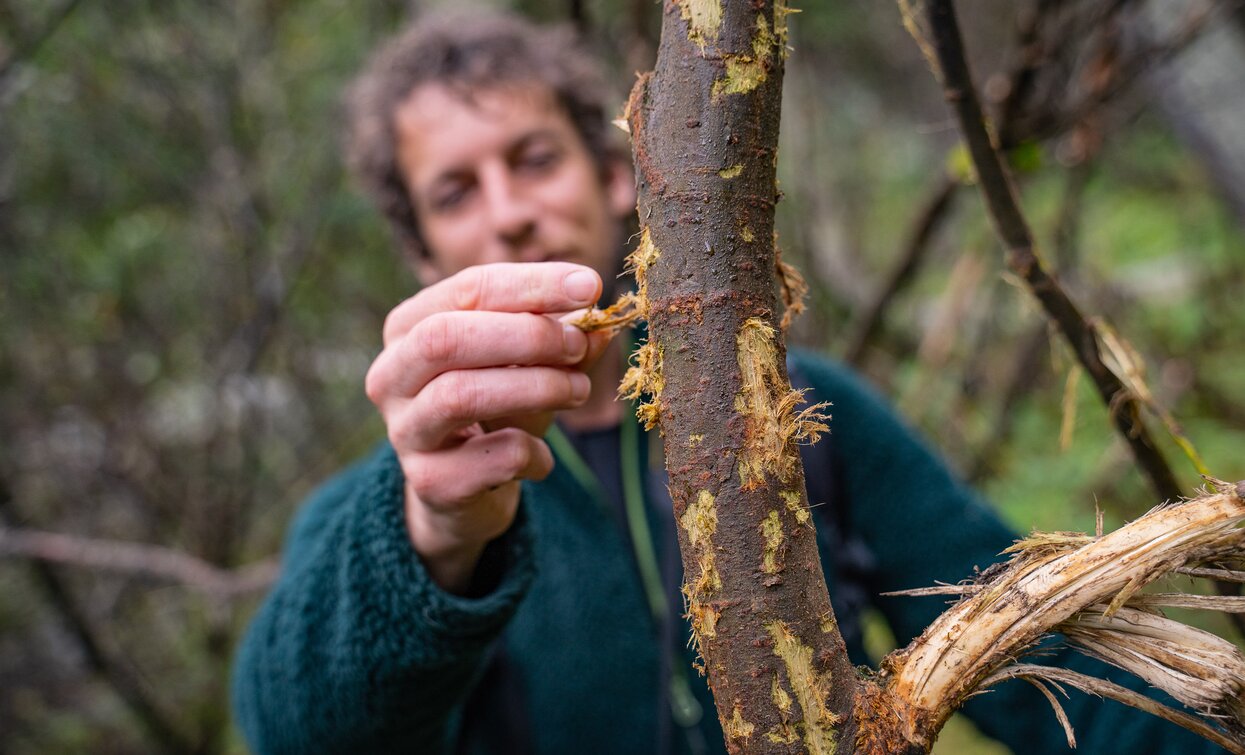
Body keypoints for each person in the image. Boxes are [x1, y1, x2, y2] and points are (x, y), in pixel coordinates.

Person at [231, 11, 1228, 755]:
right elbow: (294, 730)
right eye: (456, 191)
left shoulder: (806, 413)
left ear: (616, 172)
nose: (509, 214)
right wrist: (436, 538)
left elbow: (1045, 660)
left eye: (533, 159)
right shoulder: (396, 518)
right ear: (421, 245)